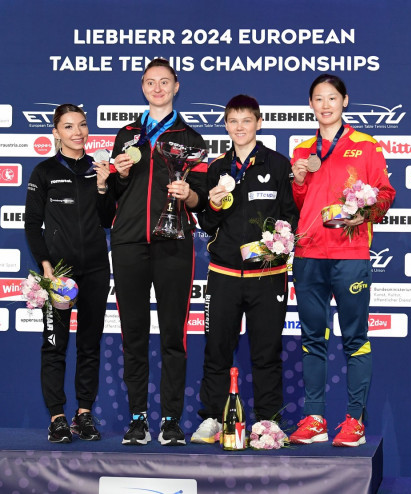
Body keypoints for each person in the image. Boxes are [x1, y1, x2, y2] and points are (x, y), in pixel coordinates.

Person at [288, 74, 395, 447]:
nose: (325, 105)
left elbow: (385, 193)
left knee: (355, 339)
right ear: (311, 105)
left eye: (332, 98)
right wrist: (298, 181)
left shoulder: (365, 145)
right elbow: (300, 206)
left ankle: (354, 421)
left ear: (345, 101)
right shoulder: (302, 149)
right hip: (309, 255)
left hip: (350, 254)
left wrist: (363, 214)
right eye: (318, 99)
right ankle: (315, 418)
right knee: (312, 339)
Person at [109, 58, 208, 446]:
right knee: (133, 334)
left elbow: (202, 200)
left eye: (164, 81)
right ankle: (137, 419)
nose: (158, 88)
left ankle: (170, 419)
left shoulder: (192, 138)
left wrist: (190, 195)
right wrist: (109, 178)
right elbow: (115, 194)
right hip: (130, 242)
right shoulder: (127, 134)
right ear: (143, 86)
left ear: (177, 86)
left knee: (173, 336)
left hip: (174, 243)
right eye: (151, 82)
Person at [190, 95, 299, 444]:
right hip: (223, 273)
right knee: (217, 348)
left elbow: (290, 216)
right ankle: (211, 417)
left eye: (246, 120)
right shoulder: (216, 168)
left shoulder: (278, 164)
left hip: (267, 275)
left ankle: (268, 422)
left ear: (259, 122)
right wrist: (215, 204)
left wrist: (281, 243)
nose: (240, 127)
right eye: (233, 121)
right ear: (225, 125)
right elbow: (206, 222)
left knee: (266, 352)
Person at [24, 103, 115, 443]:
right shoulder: (44, 172)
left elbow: (106, 220)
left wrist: (105, 187)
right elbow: (32, 223)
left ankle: (85, 414)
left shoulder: (99, 169)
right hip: (59, 273)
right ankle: (58, 417)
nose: (78, 132)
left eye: (82, 125)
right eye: (69, 126)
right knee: (55, 345)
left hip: (94, 269)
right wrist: (46, 266)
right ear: (56, 132)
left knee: (89, 345)